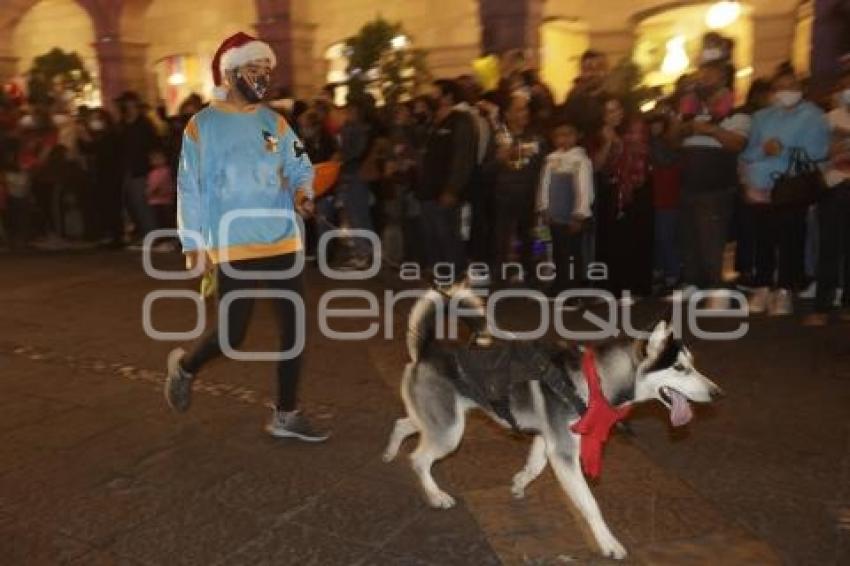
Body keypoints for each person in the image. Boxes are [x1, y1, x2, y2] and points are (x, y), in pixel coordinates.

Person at [165, 32, 327, 442]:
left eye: (267, 70)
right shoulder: (202, 125)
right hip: (231, 242)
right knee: (233, 335)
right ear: (232, 71)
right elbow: (189, 187)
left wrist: (304, 192)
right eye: (255, 69)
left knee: (294, 330)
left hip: (283, 240)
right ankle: (186, 367)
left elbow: (299, 166)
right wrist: (193, 245)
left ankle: (286, 414)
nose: (262, 78)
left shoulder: (274, 122)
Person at [741, 63, 830, 316]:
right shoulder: (762, 117)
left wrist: (785, 150)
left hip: (792, 185)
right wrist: (763, 151)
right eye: (780, 88)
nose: (785, 92)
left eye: (791, 86)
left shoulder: (813, 115)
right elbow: (749, 152)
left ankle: (785, 290)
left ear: (800, 88)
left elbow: (819, 152)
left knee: (792, 237)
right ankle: (763, 286)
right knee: (763, 239)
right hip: (761, 185)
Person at [672, 50, 749, 307]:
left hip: (716, 188)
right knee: (690, 239)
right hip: (689, 186)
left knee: (713, 241)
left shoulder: (737, 111)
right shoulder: (690, 109)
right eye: (702, 74)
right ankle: (694, 283)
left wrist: (710, 129)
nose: (704, 79)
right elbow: (672, 139)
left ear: (724, 78)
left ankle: (718, 290)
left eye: (710, 75)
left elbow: (737, 143)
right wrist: (687, 126)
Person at [590, 94, 652, 298]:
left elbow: (641, 156)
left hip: (634, 190)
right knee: (611, 240)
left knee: (634, 239)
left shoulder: (634, 129)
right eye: (608, 111)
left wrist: (619, 142)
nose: (614, 114)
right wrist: (608, 143)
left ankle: (636, 286)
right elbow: (596, 166)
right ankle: (613, 288)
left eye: (616, 109)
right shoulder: (599, 135)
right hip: (609, 192)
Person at [803, 67, 850, 326]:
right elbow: (816, 153)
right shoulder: (829, 119)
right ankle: (822, 304)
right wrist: (833, 147)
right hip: (834, 188)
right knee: (829, 248)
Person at [417, 79, 477, 272]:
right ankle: (438, 274)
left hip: (445, 190)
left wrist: (452, 188)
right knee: (431, 235)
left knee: (448, 236)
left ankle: (455, 276)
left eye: (436, 93)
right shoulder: (433, 122)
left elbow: (463, 157)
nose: (432, 97)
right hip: (427, 189)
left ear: (448, 97)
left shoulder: (461, 120)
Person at [487, 91, 544, 285]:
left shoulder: (536, 136)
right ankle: (500, 276)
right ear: (508, 114)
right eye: (518, 110)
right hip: (503, 197)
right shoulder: (498, 136)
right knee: (501, 239)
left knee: (530, 237)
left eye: (525, 109)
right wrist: (498, 160)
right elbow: (486, 168)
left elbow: (543, 166)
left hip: (529, 196)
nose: (524, 113)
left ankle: (530, 275)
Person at [537, 116, 594, 298]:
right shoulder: (551, 159)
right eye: (559, 135)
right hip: (554, 215)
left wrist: (580, 213)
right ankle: (559, 283)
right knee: (557, 251)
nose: (564, 139)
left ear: (577, 136)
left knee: (572, 253)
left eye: (568, 134)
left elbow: (585, 188)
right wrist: (544, 207)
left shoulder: (580, 160)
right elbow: (544, 185)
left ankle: (572, 287)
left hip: (571, 215)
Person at [116, 91, 159, 243]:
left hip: (140, 169)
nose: (128, 109)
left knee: (142, 203)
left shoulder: (144, 125)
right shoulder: (121, 125)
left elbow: (154, 145)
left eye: (131, 106)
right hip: (126, 170)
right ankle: (141, 232)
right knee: (130, 204)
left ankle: (150, 234)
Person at [78, 108, 124, 247]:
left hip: (112, 175)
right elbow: (88, 149)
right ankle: (109, 235)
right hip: (101, 175)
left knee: (112, 205)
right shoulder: (100, 136)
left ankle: (116, 236)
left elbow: (100, 150)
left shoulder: (111, 136)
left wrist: (87, 140)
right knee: (104, 205)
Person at [562, 50, 609, 138]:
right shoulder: (574, 98)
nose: (594, 73)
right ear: (581, 71)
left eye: (599, 68)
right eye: (589, 69)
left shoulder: (613, 96)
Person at [146, 147, 176, 250]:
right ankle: (163, 241)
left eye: (159, 158)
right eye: (153, 159)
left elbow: (159, 185)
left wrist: (152, 191)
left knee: (164, 222)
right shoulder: (153, 173)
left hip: (164, 201)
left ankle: (168, 242)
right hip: (154, 201)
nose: (156, 161)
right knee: (159, 222)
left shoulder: (165, 171)